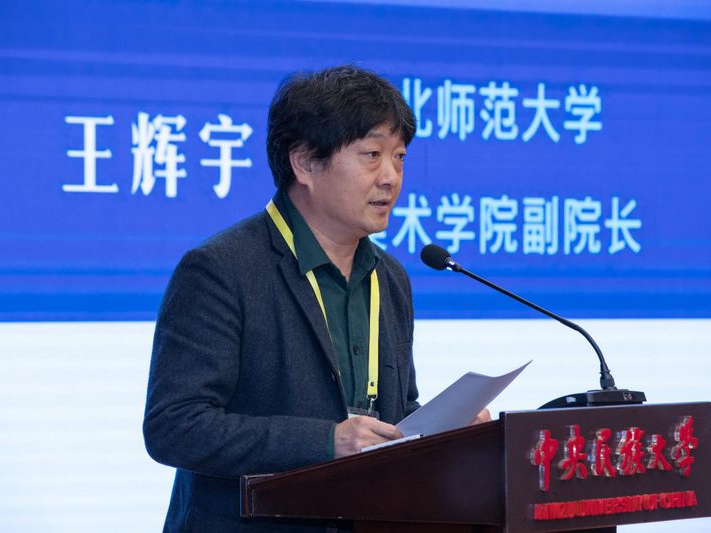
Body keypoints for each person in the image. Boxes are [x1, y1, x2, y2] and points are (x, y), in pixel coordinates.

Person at [143, 65, 488, 532]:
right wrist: (327, 441)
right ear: (305, 162)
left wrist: (444, 431)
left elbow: (390, 416)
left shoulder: (390, 278)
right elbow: (175, 426)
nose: (391, 177)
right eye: (372, 155)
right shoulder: (221, 269)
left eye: (400, 157)